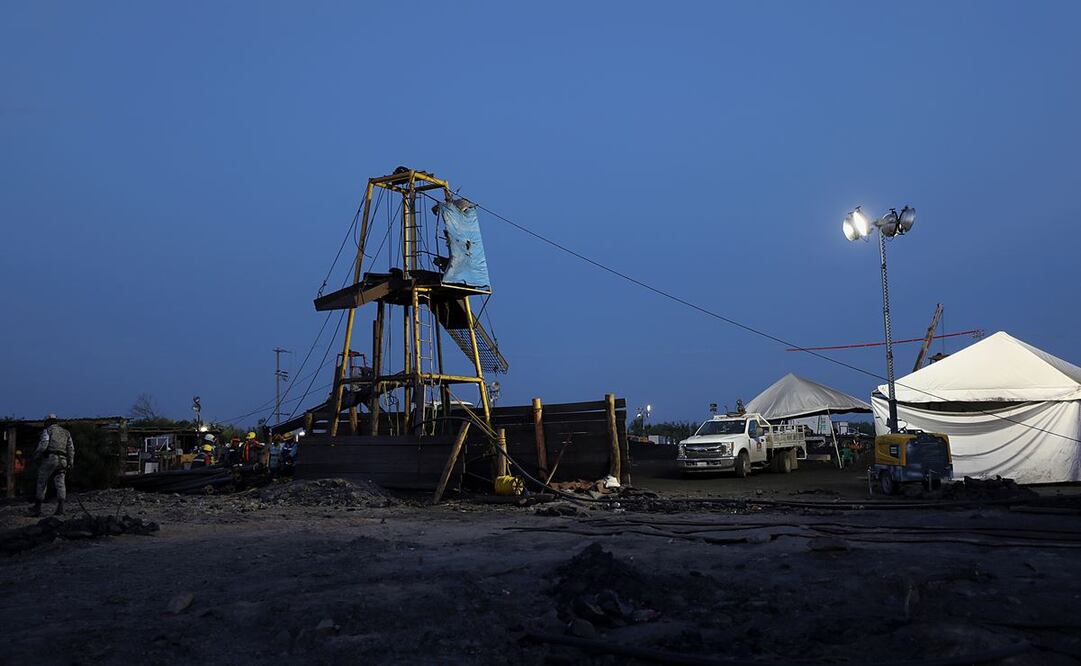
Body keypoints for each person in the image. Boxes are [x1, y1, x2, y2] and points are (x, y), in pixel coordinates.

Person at [30, 414, 75, 517]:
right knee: (60, 483)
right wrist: (71, 462)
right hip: (63, 460)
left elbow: (43, 446)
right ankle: (60, 508)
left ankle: (37, 508)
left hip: (51, 459)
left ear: (48, 421)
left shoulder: (47, 431)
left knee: (42, 481)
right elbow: (71, 449)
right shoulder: (66, 432)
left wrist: (35, 456)